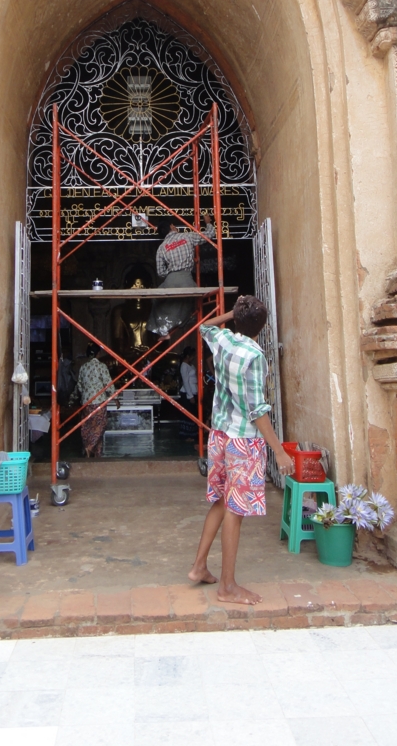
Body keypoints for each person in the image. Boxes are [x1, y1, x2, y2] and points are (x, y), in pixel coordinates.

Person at [188, 295, 295, 605]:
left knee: (223, 501)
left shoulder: (223, 340)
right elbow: (257, 410)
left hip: (220, 435)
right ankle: (228, 586)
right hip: (243, 441)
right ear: (262, 327)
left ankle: (199, 567)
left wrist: (231, 315)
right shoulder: (254, 356)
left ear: (236, 319)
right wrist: (279, 451)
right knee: (235, 510)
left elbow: (205, 325)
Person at [147, 211, 215, 339]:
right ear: (172, 227)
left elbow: (160, 272)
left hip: (170, 280)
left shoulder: (161, 248)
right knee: (189, 303)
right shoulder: (187, 237)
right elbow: (210, 234)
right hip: (186, 279)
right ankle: (181, 324)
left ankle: (163, 331)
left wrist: (172, 271)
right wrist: (208, 223)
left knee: (156, 299)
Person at [75, 344, 113, 457]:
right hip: (99, 401)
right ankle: (90, 447)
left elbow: (80, 386)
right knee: (101, 425)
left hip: (86, 402)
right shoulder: (102, 366)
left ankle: (96, 453)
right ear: (98, 353)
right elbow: (108, 383)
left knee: (88, 426)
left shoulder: (83, 367)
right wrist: (114, 397)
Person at [178, 346, 199, 440]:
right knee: (189, 414)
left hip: (194, 391)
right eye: (192, 356)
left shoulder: (191, 365)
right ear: (187, 356)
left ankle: (193, 434)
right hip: (187, 393)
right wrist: (190, 396)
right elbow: (185, 381)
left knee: (194, 413)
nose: (193, 357)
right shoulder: (184, 365)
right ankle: (187, 435)